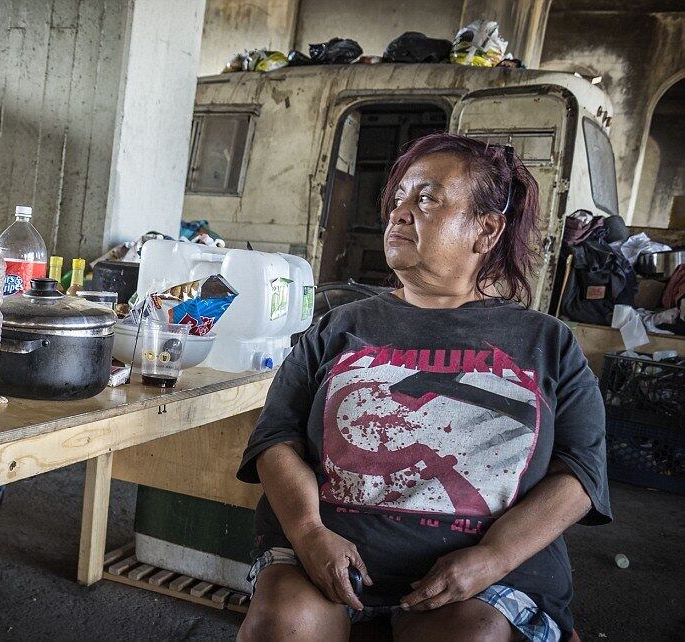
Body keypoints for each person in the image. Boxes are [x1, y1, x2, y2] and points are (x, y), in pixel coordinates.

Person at [236, 133, 611, 642]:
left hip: (486, 573)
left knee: (471, 634)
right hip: (326, 554)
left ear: (486, 229)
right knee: (283, 624)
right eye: (398, 199)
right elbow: (275, 439)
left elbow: (581, 473)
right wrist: (308, 533)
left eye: (428, 198)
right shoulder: (336, 328)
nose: (400, 213)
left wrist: (493, 557)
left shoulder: (548, 342)